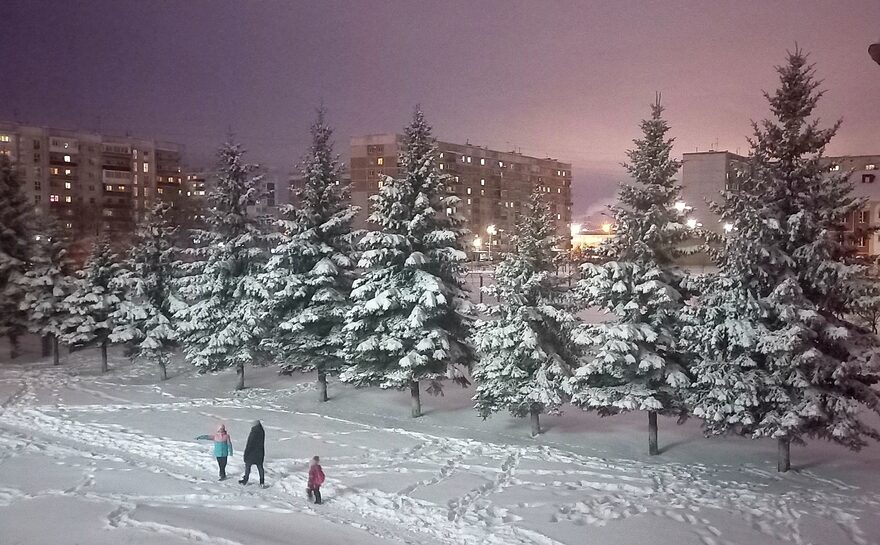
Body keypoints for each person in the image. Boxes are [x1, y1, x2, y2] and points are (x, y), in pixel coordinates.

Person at [239, 420, 266, 487]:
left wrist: (246, 453)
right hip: (260, 452)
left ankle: (245, 480)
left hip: (251, 452)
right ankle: (262, 482)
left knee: (248, 466)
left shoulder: (254, 432)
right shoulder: (262, 431)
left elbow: (250, 444)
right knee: (260, 467)